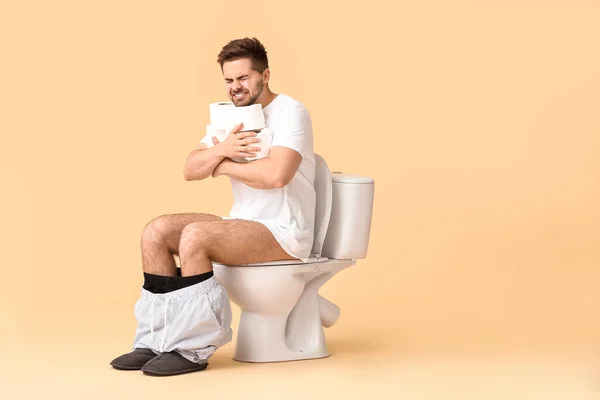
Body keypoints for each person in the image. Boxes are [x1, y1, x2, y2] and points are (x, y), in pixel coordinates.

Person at [110, 37, 316, 376]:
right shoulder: (229, 117)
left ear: (265, 75)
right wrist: (225, 148)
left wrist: (222, 163)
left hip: (284, 231)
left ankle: (192, 348)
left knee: (196, 236)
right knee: (155, 231)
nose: (235, 87)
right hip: (244, 222)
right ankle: (155, 340)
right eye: (229, 80)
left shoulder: (291, 112)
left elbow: (277, 175)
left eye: (243, 78)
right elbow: (191, 168)